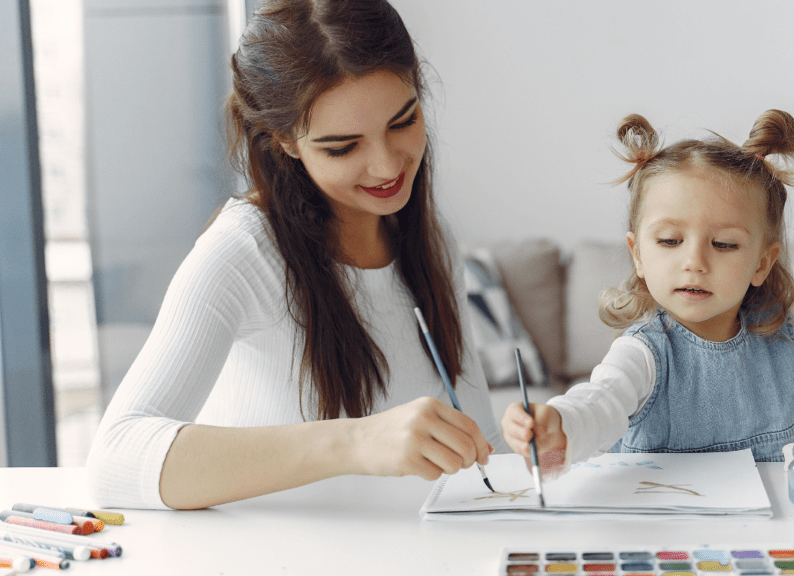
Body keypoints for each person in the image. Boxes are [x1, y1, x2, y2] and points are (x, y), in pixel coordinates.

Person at [87, 0, 504, 510]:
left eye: (403, 121)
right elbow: (115, 461)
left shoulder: (430, 237)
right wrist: (353, 441)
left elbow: (482, 434)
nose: (387, 164)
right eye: (342, 147)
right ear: (284, 141)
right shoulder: (243, 252)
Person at [502, 110, 794, 494]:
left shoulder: (786, 327)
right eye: (669, 240)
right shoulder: (643, 350)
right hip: (663, 521)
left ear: (762, 262)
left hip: (772, 520)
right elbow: (600, 403)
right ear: (638, 253)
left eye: (724, 245)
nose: (694, 262)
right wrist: (558, 423)